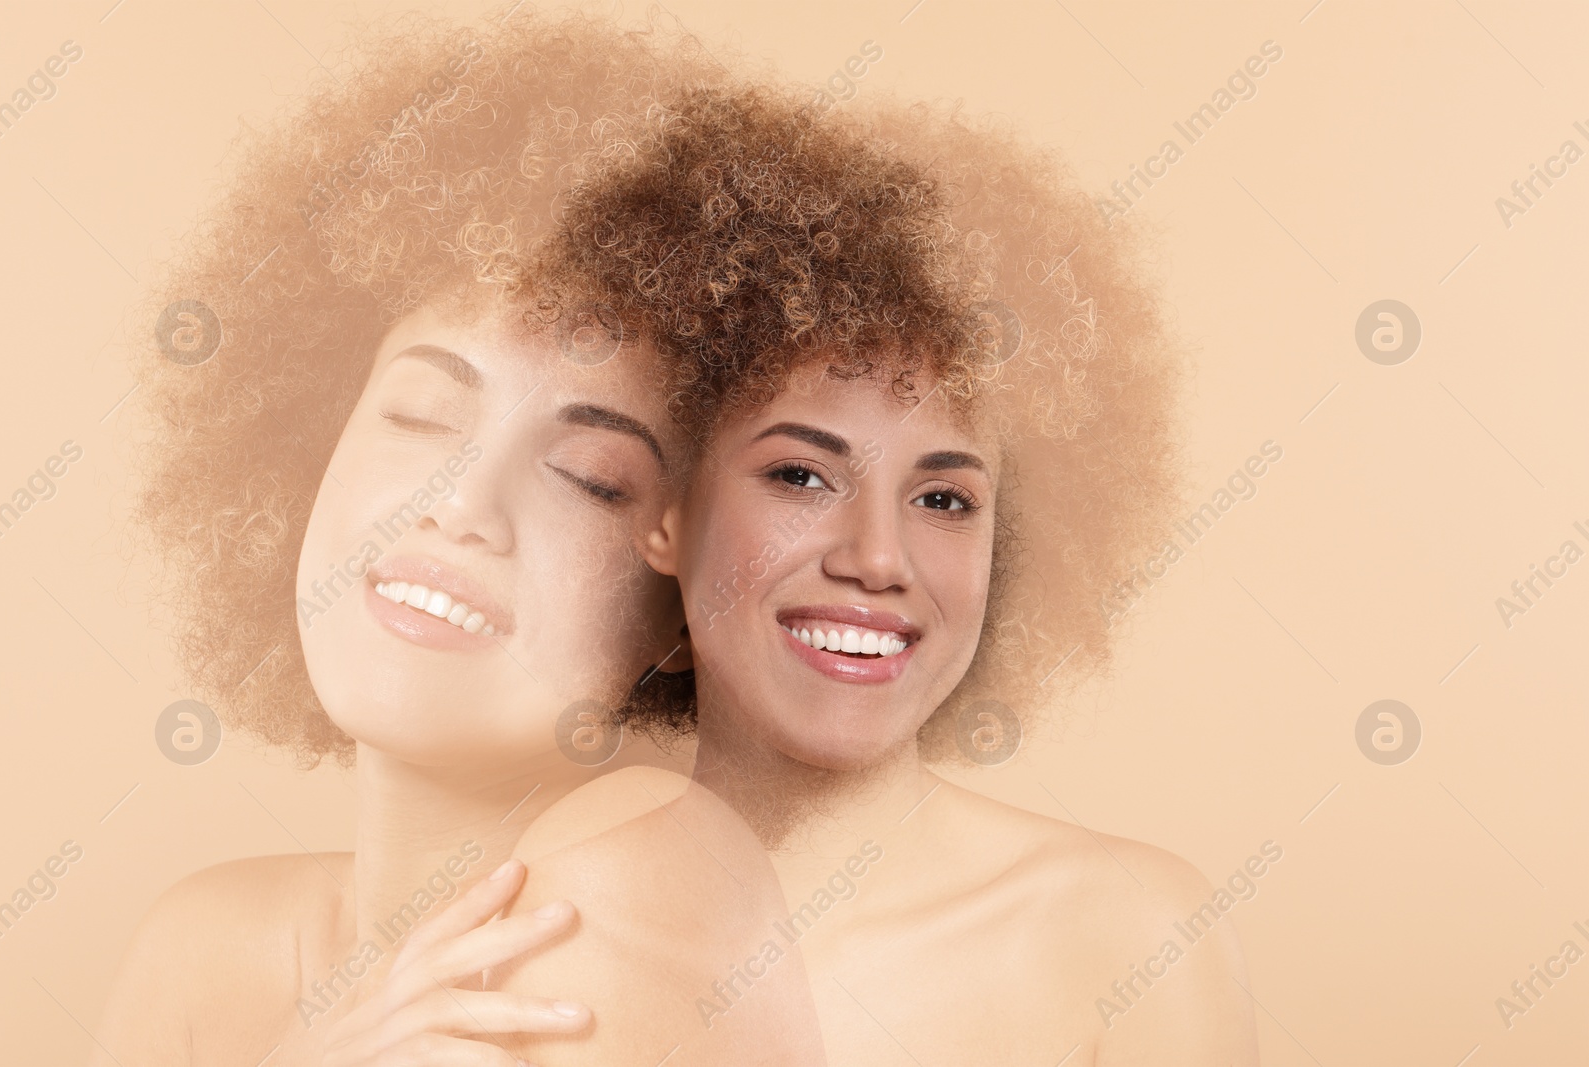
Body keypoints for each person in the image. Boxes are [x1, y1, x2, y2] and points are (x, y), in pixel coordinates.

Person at [97, 12, 822, 1066]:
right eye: (420, 413)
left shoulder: (643, 866)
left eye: (589, 478)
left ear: (689, 593)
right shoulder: (204, 943)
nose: (461, 502)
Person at [537, 83, 1263, 1065]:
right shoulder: (524, 942)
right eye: (799, 474)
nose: (877, 557)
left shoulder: (1128, 937)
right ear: (664, 511)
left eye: (943, 499)